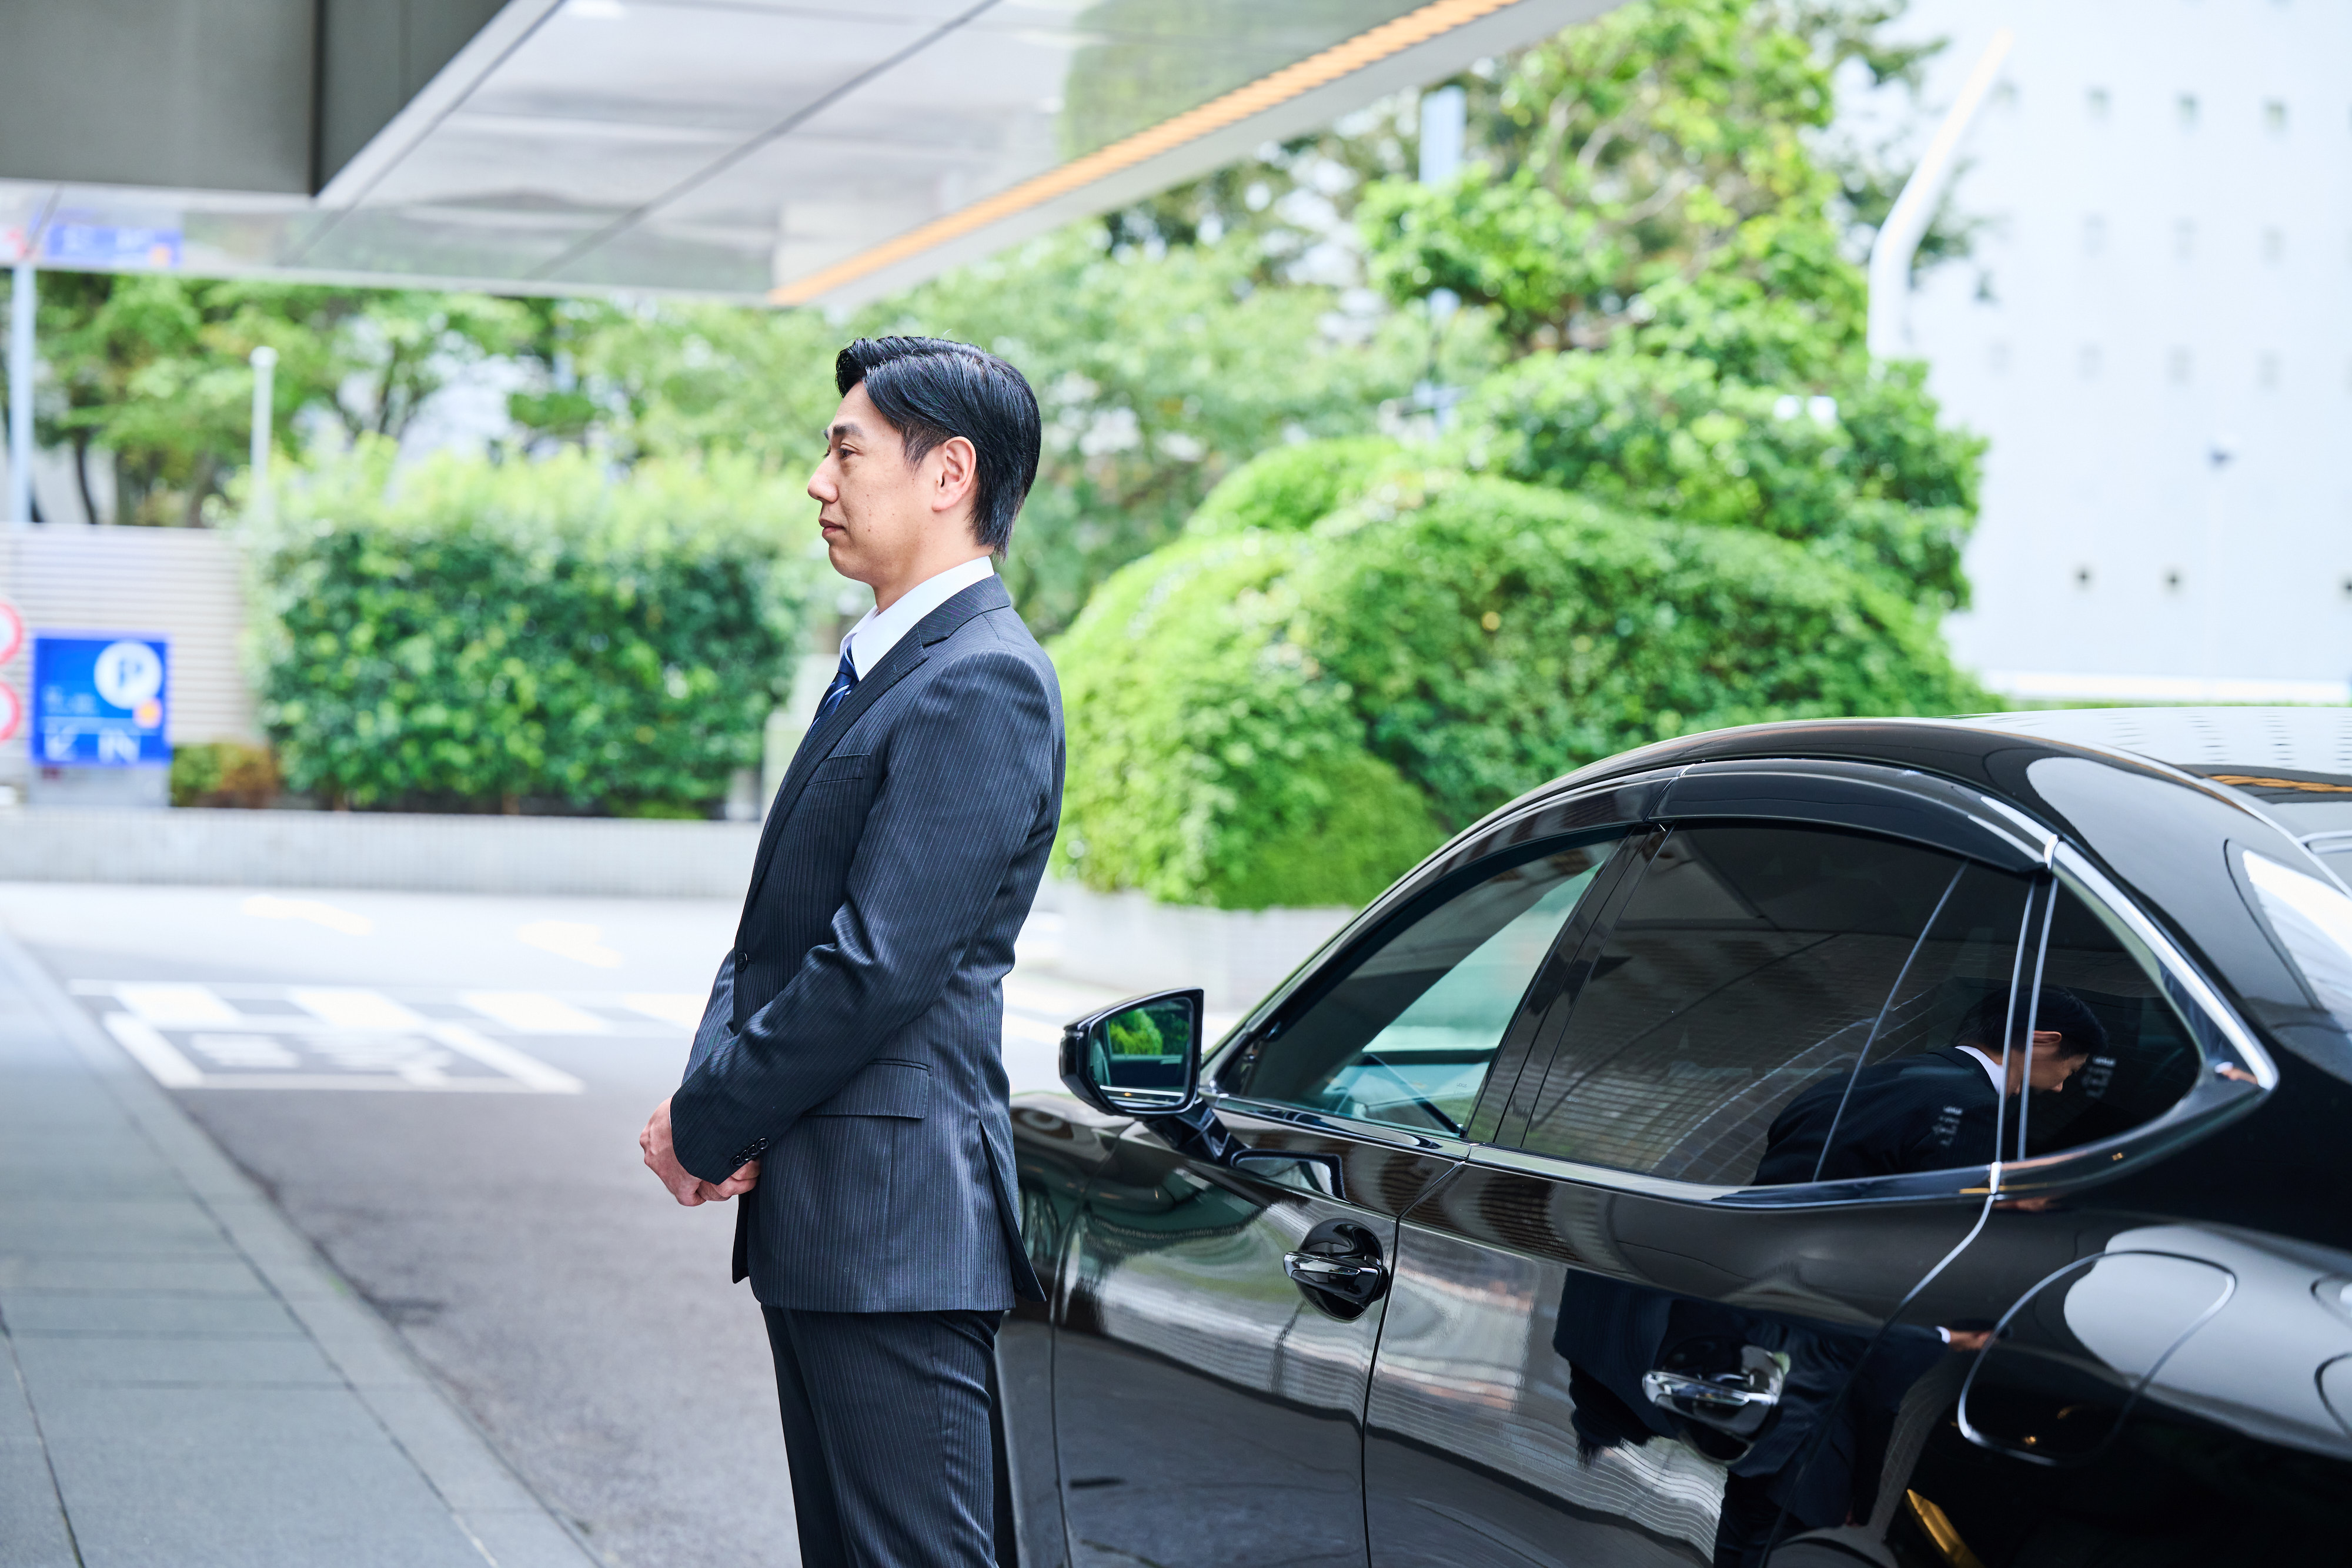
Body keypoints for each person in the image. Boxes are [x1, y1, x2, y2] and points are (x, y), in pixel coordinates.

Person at [637, 336, 1060, 1568]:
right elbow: (777, 934)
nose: (818, 481)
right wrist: (716, 1102)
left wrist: (706, 1119)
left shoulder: (980, 682)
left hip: (895, 1232)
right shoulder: (888, 668)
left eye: (844, 450)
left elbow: (875, 964)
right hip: (841, 1225)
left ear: (948, 474)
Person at [1754, 987, 2108, 1185]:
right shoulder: (1975, 1111)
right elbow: (1937, 1229)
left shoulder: (1849, 1082)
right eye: (2071, 1070)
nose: (2061, 1088)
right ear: (2043, 1041)